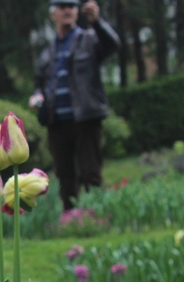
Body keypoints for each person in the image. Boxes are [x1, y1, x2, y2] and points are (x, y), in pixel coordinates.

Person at [29, 0, 120, 211]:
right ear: (53, 14)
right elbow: (39, 84)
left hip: (86, 118)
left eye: (72, 6)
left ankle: (96, 213)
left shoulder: (89, 40)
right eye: (62, 6)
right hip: (56, 122)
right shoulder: (47, 52)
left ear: (77, 12)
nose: (68, 10)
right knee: (64, 174)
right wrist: (37, 97)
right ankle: (70, 217)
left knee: (90, 171)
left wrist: (97, 22)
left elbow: (113, 45)